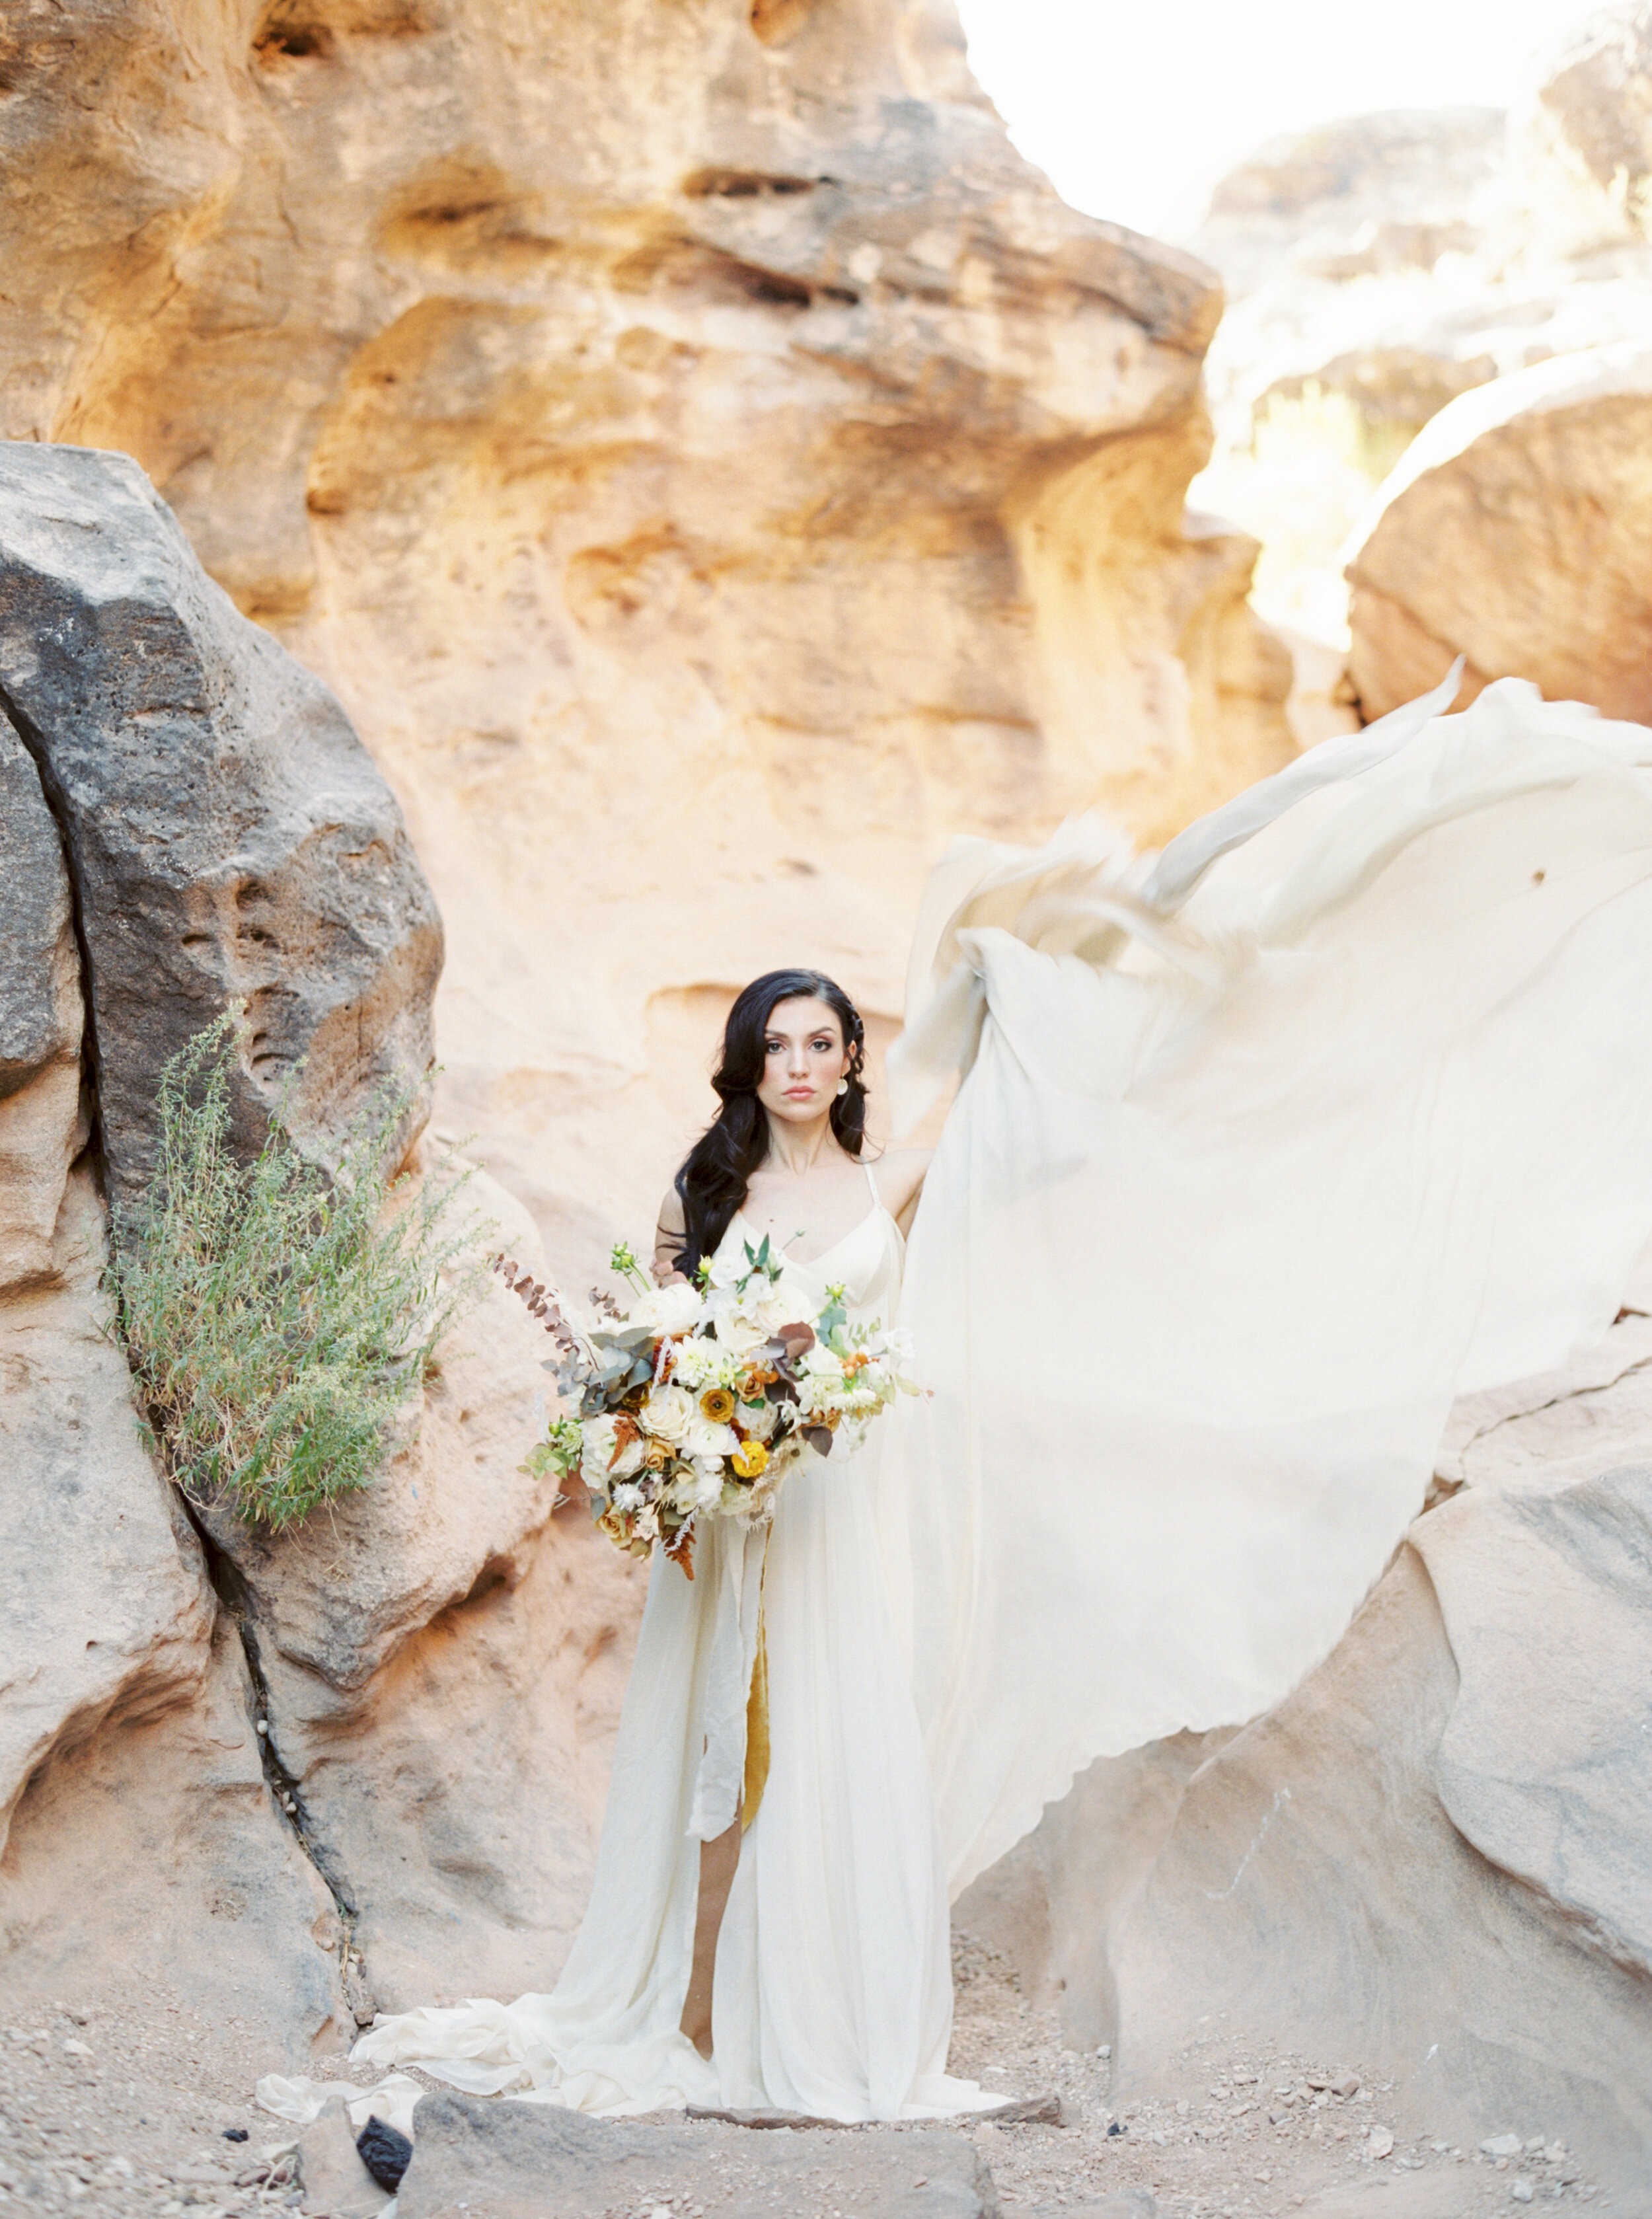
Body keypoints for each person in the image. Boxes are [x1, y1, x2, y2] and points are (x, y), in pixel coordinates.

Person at [347, 667, 1652, 2119]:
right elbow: (655, 1333)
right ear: (746, 1061)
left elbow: (1019, 1091)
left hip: (846, 1509)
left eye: (821, 1041)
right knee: (713, 1750)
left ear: (848, 1060)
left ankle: (802, 2029)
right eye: (774, 1043)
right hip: (732, 1520)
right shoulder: (701, 1186)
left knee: (831, 1749)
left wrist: (1069, 950)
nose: (796, 1063)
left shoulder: (892, 1177)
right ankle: (682, 2008)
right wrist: (672, 1438)